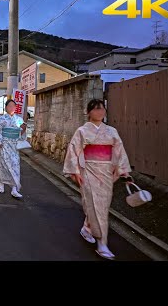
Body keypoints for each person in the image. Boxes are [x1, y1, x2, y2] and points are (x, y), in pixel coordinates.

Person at [63, 99, 132, 260]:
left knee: (101, 205)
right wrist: (75, 171)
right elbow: (73, 150)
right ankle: (102, 244)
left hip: (107, 172)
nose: (100, 112)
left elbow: (119, 151)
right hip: (89, 171)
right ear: (89, 112)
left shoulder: (112, 131)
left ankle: (87, 228)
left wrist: (124, 172)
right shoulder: (82, 131)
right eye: (96, 109)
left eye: (102, 109)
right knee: (94, 204)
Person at [0, 99, 27, 199]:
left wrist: (23, 129)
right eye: (9, 106)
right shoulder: (2, 119)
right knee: (4, 164)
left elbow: (21, 134)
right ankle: (1, 184)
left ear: (16, 108)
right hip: (5, 144)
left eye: (13, 106)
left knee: (15, 165)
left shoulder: (19, 119)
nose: (11, 108)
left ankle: (14, 189)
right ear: (6, 108)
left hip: (14, 146)